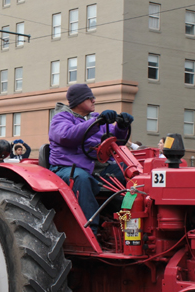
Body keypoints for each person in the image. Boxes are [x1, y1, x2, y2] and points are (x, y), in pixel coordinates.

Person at [48, 83, 133, 230]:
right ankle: (90, 231)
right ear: (78, 101)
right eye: (89, 98)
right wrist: (96, 122)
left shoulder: (94, 119)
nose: (93, 100)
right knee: (81, 178)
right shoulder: (60, 118)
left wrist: (122, 127)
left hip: (96, 169)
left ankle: (127, 224)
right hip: (66, 168)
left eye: (93, 97)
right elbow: (66, 136)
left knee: (129, 173)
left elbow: (115, 140)